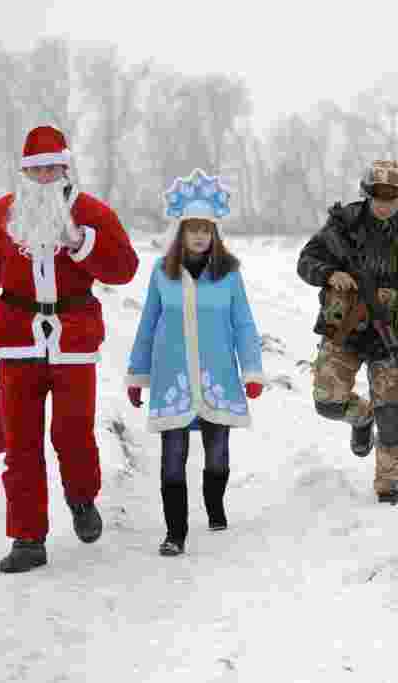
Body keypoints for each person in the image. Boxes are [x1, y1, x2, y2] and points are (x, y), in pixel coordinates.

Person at [0, 125, 139, 573]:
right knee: (21, 443)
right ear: (23, 173)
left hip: (74, 340)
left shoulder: (92, 213)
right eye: (35, 170)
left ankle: (81, 498)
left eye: (51, 168)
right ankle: (27, 537)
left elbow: (124, 269)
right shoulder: (0, 216)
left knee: (72, 433)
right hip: (17, 340)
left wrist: (82, 244)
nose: (43, 177)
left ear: (65, 167)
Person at [297, 160, 398, 505]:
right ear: (365, 194)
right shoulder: (343, 225)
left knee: (390, 414)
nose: (384, 203)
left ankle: (389, 490)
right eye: (377, 195)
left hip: (392, 339)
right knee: (326, 403)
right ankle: (360, 416)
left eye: (392, 195)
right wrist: (328, 274)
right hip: (345, 331)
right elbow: (305, 261)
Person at [126, 169, 264, 556]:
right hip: (173, 379)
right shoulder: (161, 273)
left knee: (217, 457)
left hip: (218, 375)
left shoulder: (229, 274)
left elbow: (244, 324)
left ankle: (215, 503)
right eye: (193, 229)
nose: (200, 235)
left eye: (206, 229)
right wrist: (138, 375)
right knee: (173, 459)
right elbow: (148, 324)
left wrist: (251, 370)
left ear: (215, 233)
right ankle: (175, 533)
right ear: (181, 233)